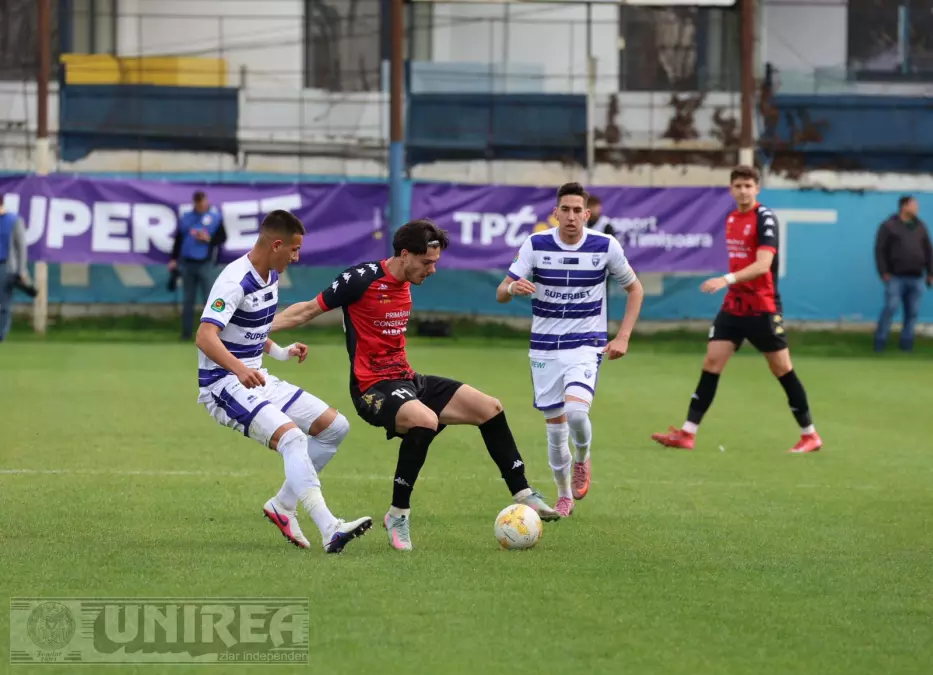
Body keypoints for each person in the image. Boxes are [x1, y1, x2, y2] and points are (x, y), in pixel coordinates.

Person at [270, 219, 559, 552]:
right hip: (371, 387)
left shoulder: (408, 279)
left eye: (435, 262)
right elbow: (306, 311)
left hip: (407, 379)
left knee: (490, 408)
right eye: (426, 262)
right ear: (405, 254)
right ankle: (398, 514)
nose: (432, 270)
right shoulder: (360, 279)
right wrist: (255, 329)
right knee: (425, 420)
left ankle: (523, 493)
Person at [195, 209, 372, 553]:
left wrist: (280, 352)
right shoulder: (234, 281)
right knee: (292, 438)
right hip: (222, 384)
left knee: (334, 428)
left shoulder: (270, 276)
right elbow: (205, 336)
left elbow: (251, 328)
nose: (296, 257)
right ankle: (330, 528)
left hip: (256, 377)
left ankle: (283, 504)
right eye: (294, 249)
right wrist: (239, 368)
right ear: (277, 245)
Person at [495, 182, 645, 517]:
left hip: (586, 343)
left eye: (578, 210)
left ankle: (582, 458)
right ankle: (563, 495)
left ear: (587, 214)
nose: (572, 216)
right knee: (555, 427)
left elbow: (635, 289)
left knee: (577, 413)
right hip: (544, 348)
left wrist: (623, 336)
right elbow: (501, 291)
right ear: (556, 213)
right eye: (565, 210)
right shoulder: (536, 244)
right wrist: (513, 288)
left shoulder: (605, 245)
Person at [650, 165, 823, 454]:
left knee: (782, 368)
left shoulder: (764, 218)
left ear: (757, 188)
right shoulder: (731, 218)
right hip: (734, 306)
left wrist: (726, 279)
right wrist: (730, 285)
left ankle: (810, 435)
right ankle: (687, 433)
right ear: (731, 189)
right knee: (712, 361)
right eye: (738, 186)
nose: (743, 191)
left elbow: (763, 265)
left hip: (762, 306)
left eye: (748, 186)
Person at [873, 195, 933, 353]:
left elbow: (928, 250)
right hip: (896, 277)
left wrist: (930, 272)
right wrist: (883, 271)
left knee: (912, 312)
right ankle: (880, 341)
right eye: (914, 205)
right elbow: (880, 249)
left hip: (917, 277)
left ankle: (906, 344)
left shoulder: (920, 226)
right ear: (904, 207)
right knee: (891, 308)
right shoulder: (889, 226)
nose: (917, 208)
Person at [171, 191, 226, 341]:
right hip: (187, 263)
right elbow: (179, 239)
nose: (201, 205)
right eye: (198, 203)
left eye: (203, 202)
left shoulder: (215, 217)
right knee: (188, 300)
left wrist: (209, 239)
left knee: (209, 300)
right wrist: (174, 258)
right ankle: (186, 333)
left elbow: (222, 237)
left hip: (205, 263)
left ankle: (212, 333)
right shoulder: (187, 217)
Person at [0, 194, 30, 342]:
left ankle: (1, 334)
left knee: (4, 303)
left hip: (6, 266)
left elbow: (21, 247)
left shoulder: (14, 220)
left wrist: (22, 270)